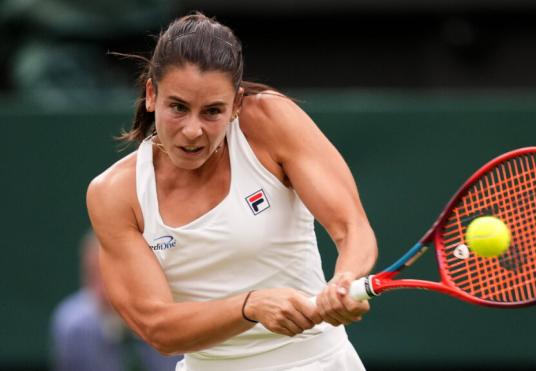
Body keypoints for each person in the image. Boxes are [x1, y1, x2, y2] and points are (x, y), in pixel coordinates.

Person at [85, 11, 378, 371]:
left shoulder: (269, 120)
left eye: (212, 111)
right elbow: (159, 328)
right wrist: (250, 306)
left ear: (236, 105)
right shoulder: (114, 194)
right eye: (178, 107)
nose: (193, 130)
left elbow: (352, 228)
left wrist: (345, 278)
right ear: (151, 95)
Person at [50, 231, 181, 371]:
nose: (101, 289)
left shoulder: (171, 317)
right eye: (92, 275)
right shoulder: (72, 325)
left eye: (108, 276)